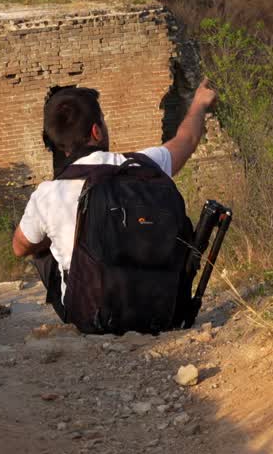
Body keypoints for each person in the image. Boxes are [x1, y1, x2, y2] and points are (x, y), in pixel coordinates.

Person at [12, 80, 219, 318]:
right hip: (162, 309)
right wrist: (199, 104)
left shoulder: (48, 194)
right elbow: (187, 140)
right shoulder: (144, 164)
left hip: (93, 317)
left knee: (39, 245)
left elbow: (19, 247)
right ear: (96, 131)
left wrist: (57, 234)